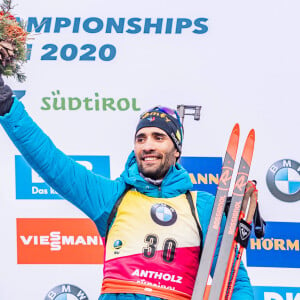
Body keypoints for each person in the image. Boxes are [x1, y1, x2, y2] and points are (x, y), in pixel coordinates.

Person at [0, 75, 254, 300]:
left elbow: (234, 281)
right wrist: (8, 107)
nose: (147, 146)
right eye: (141, 138)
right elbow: (52, 163)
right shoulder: (112, 197)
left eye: (159, 137)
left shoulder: (203, 206)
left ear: (176, 151)